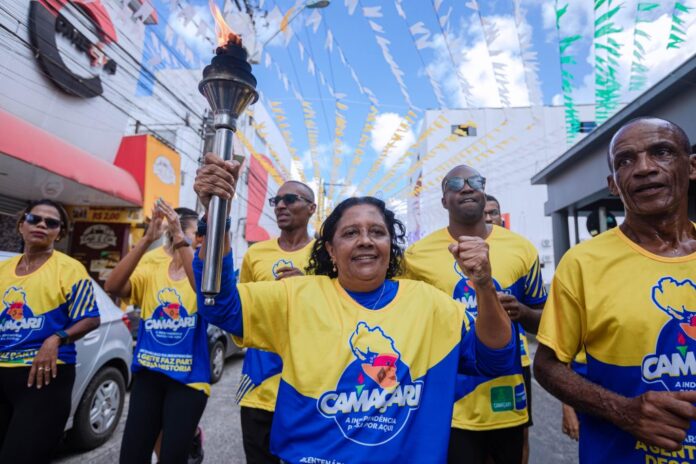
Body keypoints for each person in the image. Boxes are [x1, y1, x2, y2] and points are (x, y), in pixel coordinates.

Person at [191, 153, 517, 463]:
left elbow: (497, 360)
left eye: (377, 232)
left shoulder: (430, 304)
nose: (365, 240)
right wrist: (217, 214)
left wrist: (484, 285)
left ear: (390, 245)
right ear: (331, 250)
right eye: (350, 233)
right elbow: (218, 305)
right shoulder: (295, 296)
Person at [534, 117, 696, 463]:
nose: (644, 168)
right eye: (625, 160)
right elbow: (547, 366)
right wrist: (623, 411)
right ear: (613, 184)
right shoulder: (583, 263)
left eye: (662, 152)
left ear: (692, 166)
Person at [403, 166, 546, 464]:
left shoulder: (521, 249)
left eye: (474, 182)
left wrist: (521, 312)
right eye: (455, 183)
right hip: (449, 391)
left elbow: (545, 319)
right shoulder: (416, 256)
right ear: (444, 200)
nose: (466, 187)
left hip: (506, 386)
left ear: (483, 191)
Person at [106, 200, 210, 464]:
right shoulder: (153, 261)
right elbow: (113, 286)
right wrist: (146, 239)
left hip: (189, 380)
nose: (200, 238)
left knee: (172, 457)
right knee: (132, 456)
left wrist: (182, 242)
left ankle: (191, 437)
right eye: (195, 232)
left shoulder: (204, 264)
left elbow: (201, 291)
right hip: (148, 374)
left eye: (201, 234)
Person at [0, 199, 100, 463]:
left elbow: (91, 318)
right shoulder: (3, 270)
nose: (42, 225)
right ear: (21, 225)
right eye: (35, 219)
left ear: (60, 233)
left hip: (44, 378)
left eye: (51, 223)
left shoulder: (70, 269)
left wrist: (56, 338)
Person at [237, 181, 316, 464]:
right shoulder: (255, 254)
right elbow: (242, 309)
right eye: (277, 200)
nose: (281, 205)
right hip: (259, 386)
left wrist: (308, 287)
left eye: (291, 199)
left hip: (310, 391)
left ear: (311, 208)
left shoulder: (327, 254)